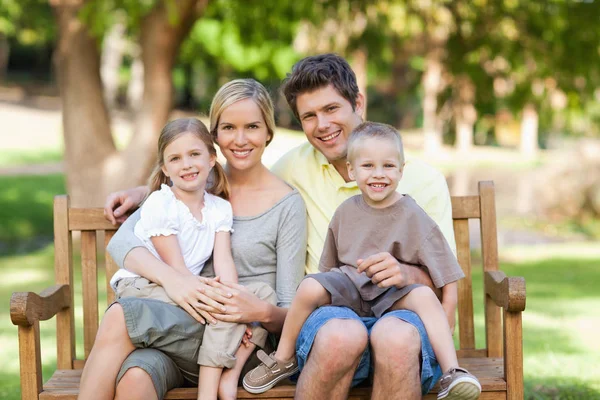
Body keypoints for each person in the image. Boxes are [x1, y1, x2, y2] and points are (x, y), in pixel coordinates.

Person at [105, 53, 458, 399]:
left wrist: (404, 274)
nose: (322, 125)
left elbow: (443, 277)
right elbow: (235, 170)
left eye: (332, 109)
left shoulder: (422, 181)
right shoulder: (289, 168)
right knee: (339, 335)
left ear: (358, 103)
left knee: (394, 340)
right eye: (309, 116)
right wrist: (153, 191)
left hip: (391, 314)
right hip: (316, 318)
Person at [80, 79, 306, 400]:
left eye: (253, 126)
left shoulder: (287, 204)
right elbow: (121, 244)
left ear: (269, 131)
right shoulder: (193, 180)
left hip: (238, 343)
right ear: (213, 137)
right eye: (228, 127)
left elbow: (288, 308)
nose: (240, 139)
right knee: (135, 379)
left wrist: (255, 312)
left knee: (120, 317)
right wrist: (176, 281)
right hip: (178, 327)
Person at [243, 122, 481, 400]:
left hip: (393, 294)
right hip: (351, 289)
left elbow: (446, 271)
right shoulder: (345, 211)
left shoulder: (412, 214)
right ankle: (282, 358)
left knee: (425, 298)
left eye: (388, 166)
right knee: (309, 285)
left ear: (402, 170)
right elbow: (329, 269)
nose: (378, 174)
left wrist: (448, 313)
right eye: (368, 166)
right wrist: (326, 290)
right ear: (352, 170)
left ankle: (453, 372)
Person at [108, 117, 279, 400]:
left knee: (262, 296)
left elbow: (224, 260)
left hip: (186, 288)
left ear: (212, 159)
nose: (186, 164)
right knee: (219, 309)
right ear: (165, 168)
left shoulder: (219, 208)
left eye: (194, 154)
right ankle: (208, 394)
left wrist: (236, 300)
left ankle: (229, 378)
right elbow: (175, 269)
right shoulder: (161, 203)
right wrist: (220, 303)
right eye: (175, 158)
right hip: (146, 287)